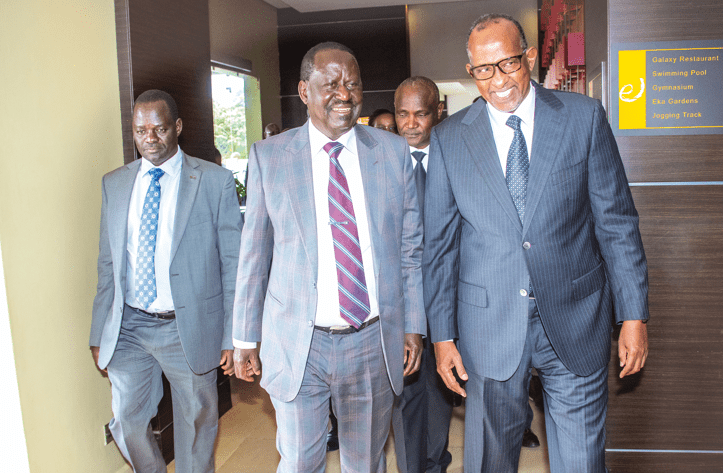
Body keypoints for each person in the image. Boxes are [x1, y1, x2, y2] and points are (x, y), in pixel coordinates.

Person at [424, 14, 649, 472]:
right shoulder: (448, 140)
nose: (498, 80)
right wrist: (443, 335)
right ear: (472, 73)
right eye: (484, 70)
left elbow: (616, 223)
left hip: (576, 316)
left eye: (507, 63)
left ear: (528, 57)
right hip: (487, 327)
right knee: (490, 459)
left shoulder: (583, 118)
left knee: (582, 461)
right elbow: (440, 247)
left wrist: (633, 315)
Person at [232, 42, 426, 472]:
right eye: (331, 83)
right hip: (299, 340)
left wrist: (413, 324)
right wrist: (244, 337)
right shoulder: (270, 158)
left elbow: (410, 249)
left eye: (353, 83)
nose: (345, 93)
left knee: (365, 461)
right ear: (304, 91)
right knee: (301, 460)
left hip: (371, 339)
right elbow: (254, 254)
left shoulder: (392, 154)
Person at [89, 89, 242, 472]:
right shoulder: (115, 183)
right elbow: (108, 263)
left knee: (196, 424)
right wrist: (98, 332)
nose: (150, 139)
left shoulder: (213, 181)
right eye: (141, 131)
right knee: (126, 419)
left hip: (185, 325)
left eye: (158, 129)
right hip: (129, 326)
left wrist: (231, 336)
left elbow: (233, 263)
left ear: (177, 127)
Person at [392, 76, 453, 473]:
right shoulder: (377, 161)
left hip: (451, 297)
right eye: (402, 114)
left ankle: (436, 462)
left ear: (438, 113)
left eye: (421, 113)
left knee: (442, 390)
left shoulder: (457, 156)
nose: (410, 123)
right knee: (406, 392)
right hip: (398, 301)